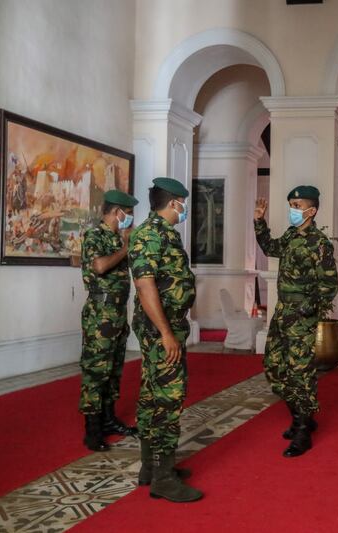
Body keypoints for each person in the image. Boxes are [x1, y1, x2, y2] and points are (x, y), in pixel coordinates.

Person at [129, 177, 200, 503]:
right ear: (174, 203)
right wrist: (167, 334)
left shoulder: (159, 233)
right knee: (168, 399)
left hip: (163, 328)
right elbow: (145, 286)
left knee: (150, 394)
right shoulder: (151, 235)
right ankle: (163, 478)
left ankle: (149, 467)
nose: (184, 209)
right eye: (182, 203)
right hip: (161, 331)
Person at [253, 185, 338, 458]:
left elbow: (329, 284)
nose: (293, 209)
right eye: (291, 204)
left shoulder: (320, 243)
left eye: (298, 205)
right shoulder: (291, 235)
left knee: (300, 372)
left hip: (301, 316)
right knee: (274, 366)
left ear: (311, 210)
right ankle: (303, 416)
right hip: (281, 313)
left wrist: (307, 308)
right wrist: (259, 221)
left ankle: (303, 429)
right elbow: (269, 247)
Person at [79, 189, 139, 453]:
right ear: (118, 212)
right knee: (96, 372)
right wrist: (125, 248)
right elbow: (99, 267)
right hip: (100, 313)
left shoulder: (117, 237)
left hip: (116, 313)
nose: (130, 218)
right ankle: (92, 432)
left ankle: (109, 420)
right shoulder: (95, 235)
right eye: (128, 213)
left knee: (113, 370)